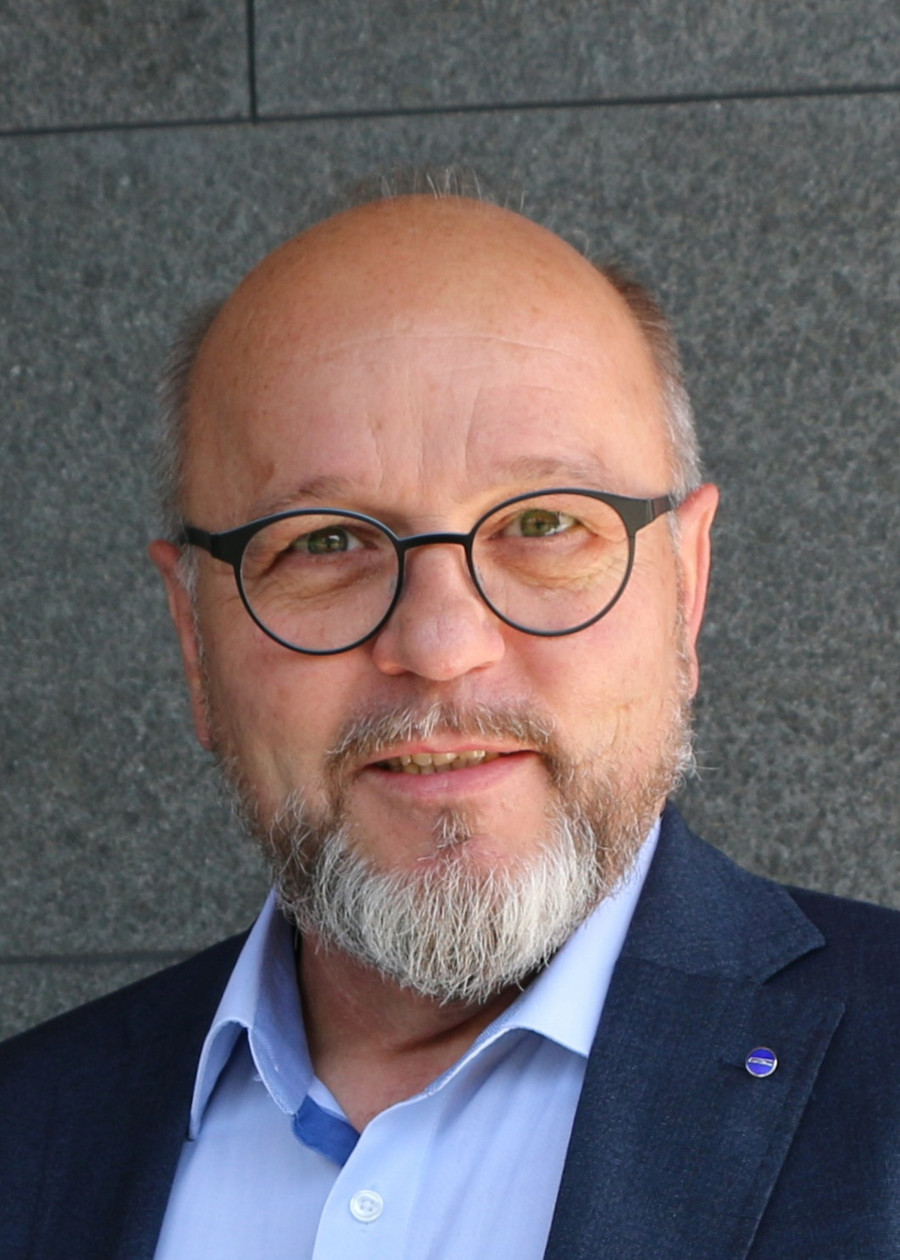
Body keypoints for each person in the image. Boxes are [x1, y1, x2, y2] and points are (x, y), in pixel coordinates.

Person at [2, 184, 899, 1260]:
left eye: (545, 523)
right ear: (195, 636)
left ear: (687, 587)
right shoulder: (27, 1131)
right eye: (324, 543)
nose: (439, 645)